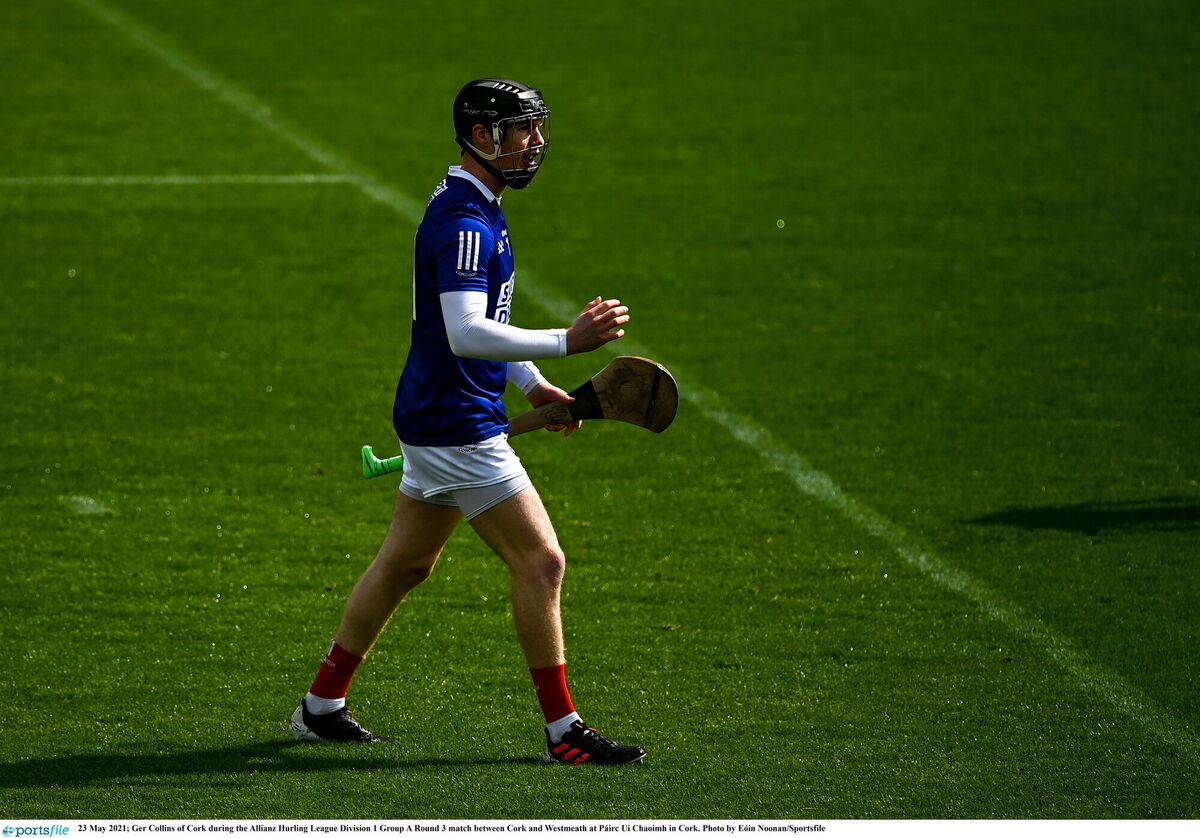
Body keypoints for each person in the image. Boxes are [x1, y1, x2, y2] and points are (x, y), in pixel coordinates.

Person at [289, 79, 646, 766]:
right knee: (541, 562)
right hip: (456, 421)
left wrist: (532, 382)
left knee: (406, 564)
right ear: (482, 138)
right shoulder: (465, 223)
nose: (535, 143)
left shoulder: (475, 205)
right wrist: (565, 345)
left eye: (538, 128)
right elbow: (464, 332)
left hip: (441, 410)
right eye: (521, 131)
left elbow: (489, 324)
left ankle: (320, 707)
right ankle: (563, 731)